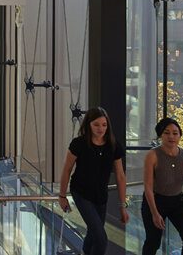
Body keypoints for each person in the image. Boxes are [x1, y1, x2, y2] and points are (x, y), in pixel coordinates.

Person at [57, 107, 129, 255]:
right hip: (81, 192)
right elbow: (67, 169)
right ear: (88, 124)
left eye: (104, 125)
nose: (100, 128)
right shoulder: (79, 144)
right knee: (101, 238)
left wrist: (123, 205)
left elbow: (120, 177)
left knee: (93, 234)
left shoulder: (113, 146)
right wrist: (62, 196)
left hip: (101, 195)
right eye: (96, 124)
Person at [141, 117, 183, 255]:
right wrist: (155, 213)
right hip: (155, 201)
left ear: (180, 135)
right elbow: (148, 187)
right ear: (161, 135)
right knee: (153, 242)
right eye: (167, 133)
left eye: (175, 133)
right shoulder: (152, 155)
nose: (171, 137)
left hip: (178, 201)